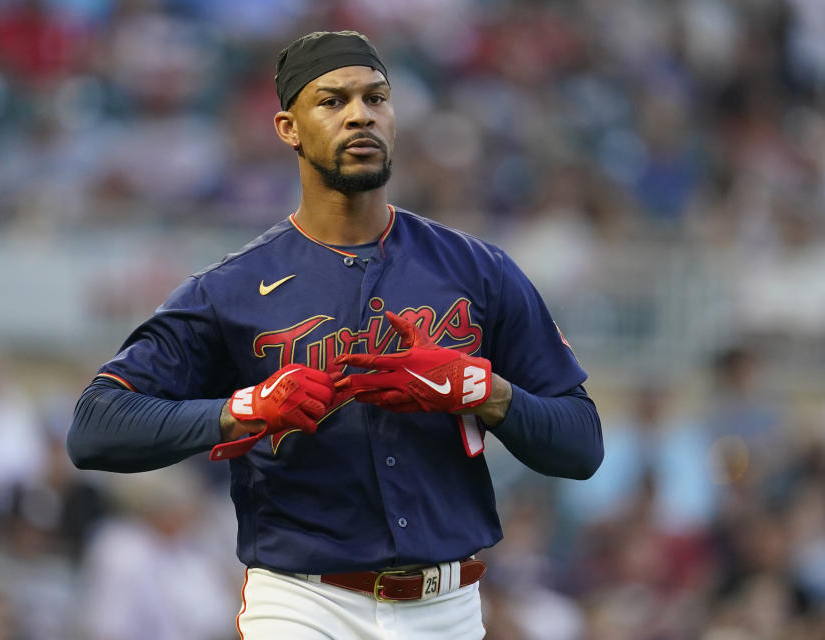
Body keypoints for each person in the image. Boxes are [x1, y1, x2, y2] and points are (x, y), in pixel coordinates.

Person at [67, 30, 603, 639]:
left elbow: (582, 444)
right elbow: (95, 425)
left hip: (448, 607)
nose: (360, 116)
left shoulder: (477, 270)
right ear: (287, 128)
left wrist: (487, 392)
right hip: (303, 604)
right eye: (333, 101)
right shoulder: (234, 288)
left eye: (376, 98)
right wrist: (242, 410)